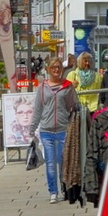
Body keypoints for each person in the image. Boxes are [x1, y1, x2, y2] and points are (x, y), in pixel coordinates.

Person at [34, 60, 81, 204]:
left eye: (58, 67)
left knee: (62, 161)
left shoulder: (67, 86)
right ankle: (53, 192)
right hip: (46, 130)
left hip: (63, 129)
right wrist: (31, 130)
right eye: (53, 67)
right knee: (50, 162)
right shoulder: (42, 87)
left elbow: (74, 105)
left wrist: (73, 96)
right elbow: (37, 109)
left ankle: (64, 188)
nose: (56, 69)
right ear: (48, 69)